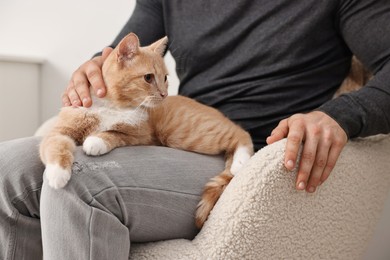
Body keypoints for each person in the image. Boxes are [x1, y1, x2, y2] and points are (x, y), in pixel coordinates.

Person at [1, 0, 389, 259]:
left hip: (256, 153)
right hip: (171, 136)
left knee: (79, 182)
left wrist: (339, 114)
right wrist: (93, 73)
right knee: (8, 168)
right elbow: (122, 54)